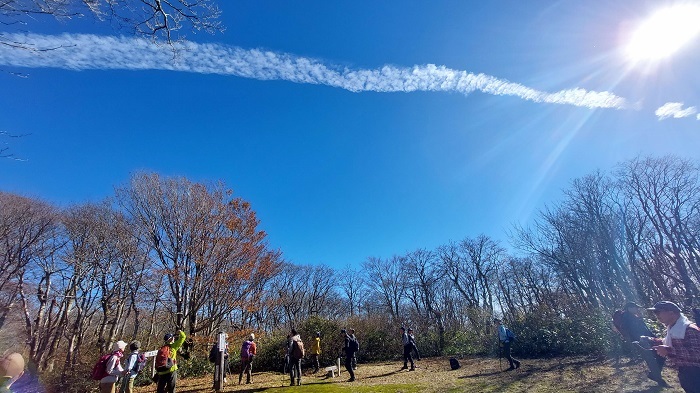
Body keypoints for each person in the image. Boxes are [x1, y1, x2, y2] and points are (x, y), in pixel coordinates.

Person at [647, 301, 700, 393]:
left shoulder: (689, 329)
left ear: (671, 312)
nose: (656, 315)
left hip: (696, 373)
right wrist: (653, 341)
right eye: (655, 312)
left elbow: (697, 355)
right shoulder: (674, 329)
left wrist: (668, 350)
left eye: (658, 312)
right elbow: (672, 343)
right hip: (685, 372)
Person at [617, 302, 667, 386]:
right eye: (635, 307)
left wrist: (653, 337)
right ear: (629, 308)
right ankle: (659, 380)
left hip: (647, 340)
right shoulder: (627, 318)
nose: (637, 309)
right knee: (652, 360)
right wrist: (639, 341)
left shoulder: (633, 317)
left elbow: (644, 329)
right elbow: (631, 332)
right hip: (641, 342)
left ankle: (656, 377)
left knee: (659, 357)